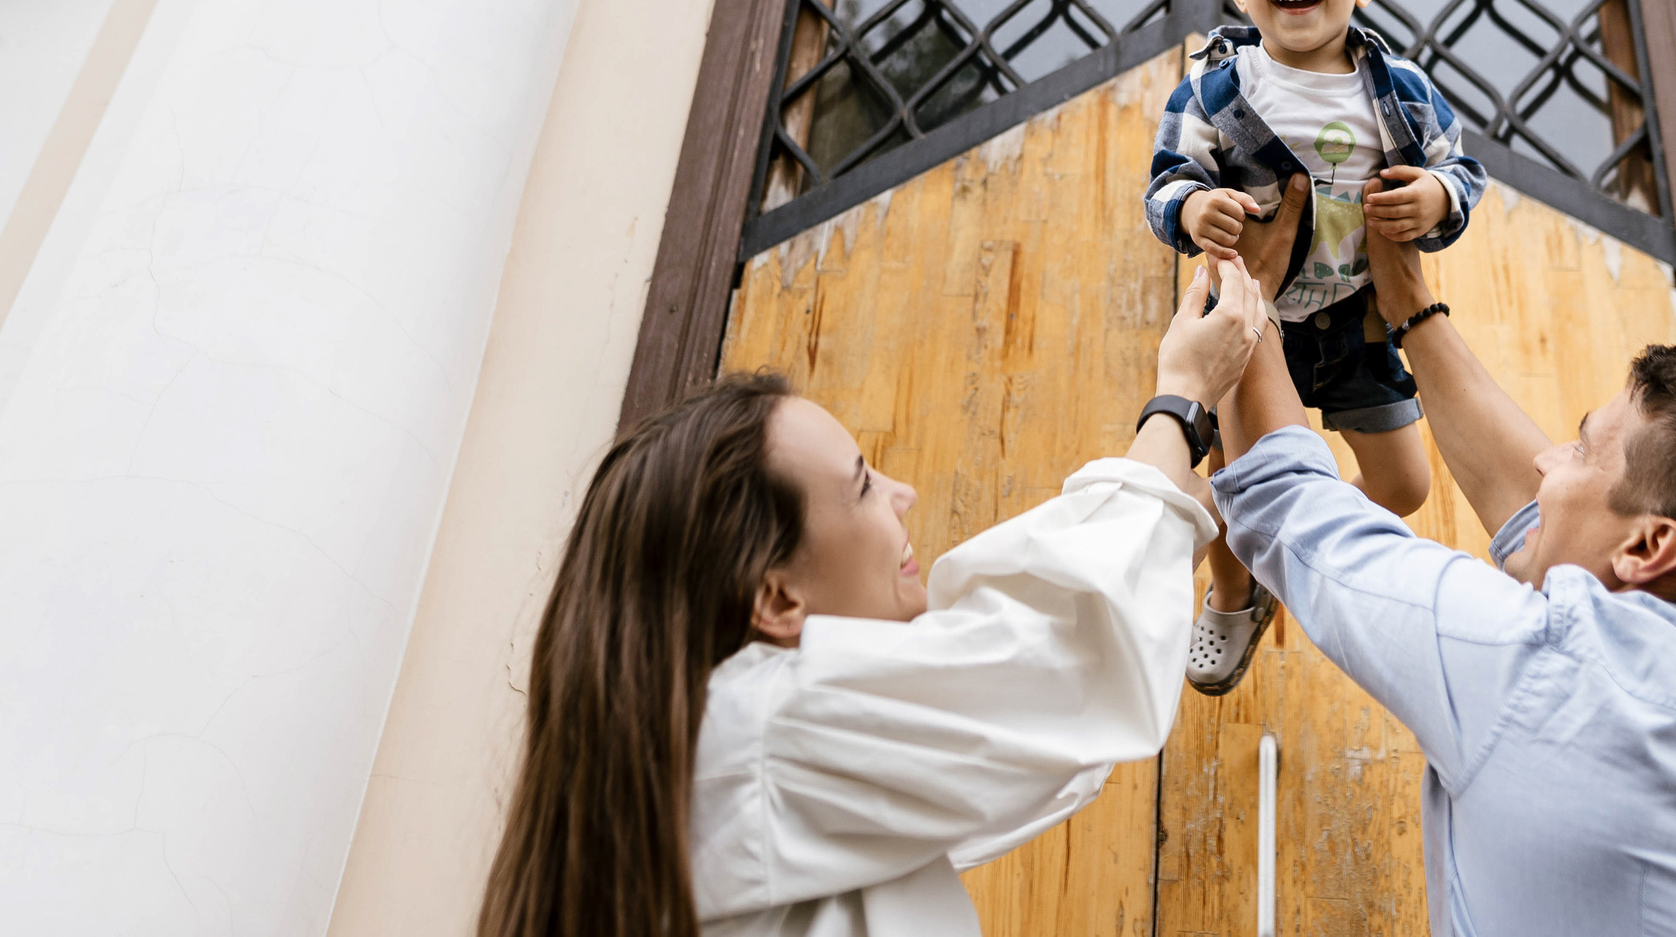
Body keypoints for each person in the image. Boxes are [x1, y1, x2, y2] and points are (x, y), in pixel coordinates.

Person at [476, 256, 1268, 937]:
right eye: (860, 485)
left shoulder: (712, 755)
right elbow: (1056, 661)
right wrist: (1182, 398)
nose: (903, 493)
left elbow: (1034, 749)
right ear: (775, 596)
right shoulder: (759, 733)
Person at [1212, 175, 1676, 934]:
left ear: (1653, 545)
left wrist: (1239, 290)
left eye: (1581, 447)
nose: (1548, 461)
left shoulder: (1541, 677)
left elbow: (1286, 501)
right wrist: (1407, 299)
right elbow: (1554, 538)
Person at [1142, 0, 1487, 694]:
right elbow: (1165, 183)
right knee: (1239, 481)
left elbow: (1463, 171)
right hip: (1257, 326)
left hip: (1358, 320)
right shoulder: (1218, 87)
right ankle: (1233, 594)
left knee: (1405, 481)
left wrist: (1436, 197)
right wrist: (1193, 211)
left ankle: (1293, 553)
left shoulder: (1401, 91)